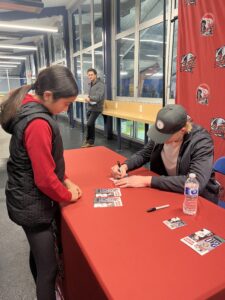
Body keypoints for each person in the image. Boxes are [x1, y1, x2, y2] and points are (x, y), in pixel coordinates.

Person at [0, 65, 82, 300]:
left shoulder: (28, 108)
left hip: (24, 198)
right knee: (49, 269)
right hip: (32, 206)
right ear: (47, 96)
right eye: (66, 103)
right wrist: (68, 195)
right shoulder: (38, 123)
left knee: (38, 255)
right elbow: (45, 178)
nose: (67, 109)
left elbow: (43, 160)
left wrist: (64, 179)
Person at [111, 104, 219, 204]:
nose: (160, 139)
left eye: (165, 136)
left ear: (182, 130)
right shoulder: (163, 133)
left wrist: (146, 180)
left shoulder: (201, 141)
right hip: (169, 190)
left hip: (196, 199)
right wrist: (125, 166)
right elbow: (144, 154)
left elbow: (196, 182)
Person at [81, 68, 105, 147]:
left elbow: (99, 97)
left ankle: (90, 142)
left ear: (95, 75)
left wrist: (90, 98)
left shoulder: (100, 84)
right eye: (89, 75)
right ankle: (89, 140)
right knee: (90, 125)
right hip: (90, 107)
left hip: (97, 108)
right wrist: (88, 99)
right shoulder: (91, 83)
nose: (90, 76)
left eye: (91, 75)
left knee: (89, 123)